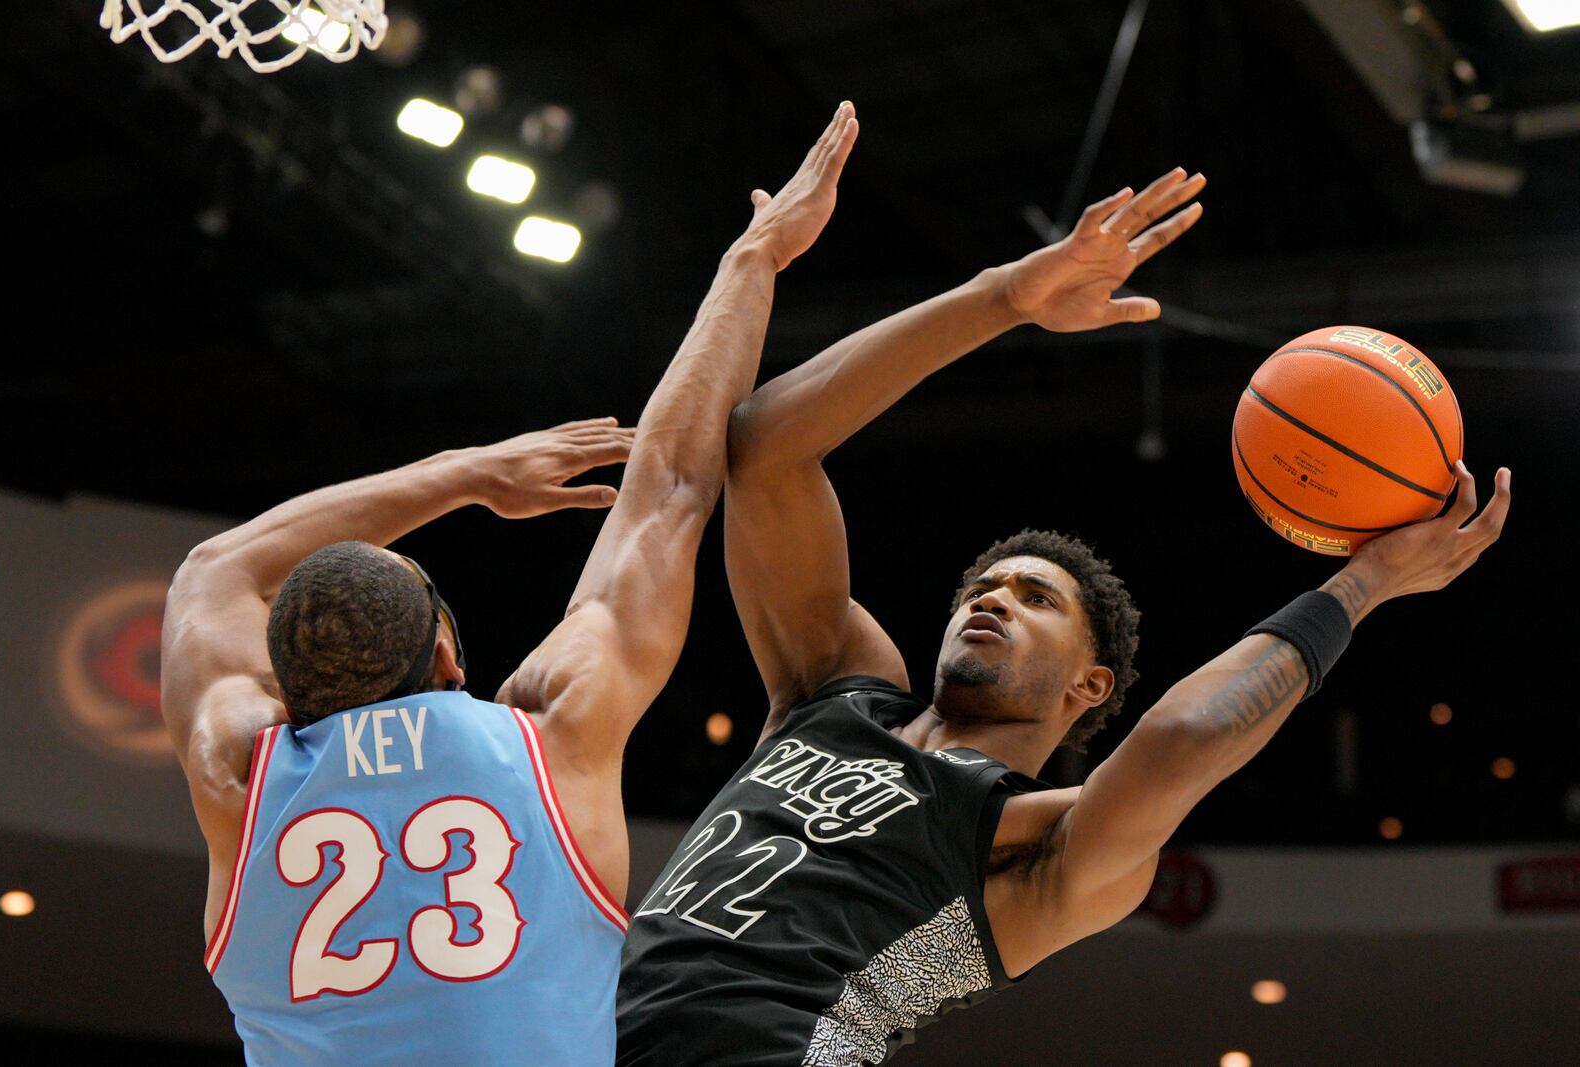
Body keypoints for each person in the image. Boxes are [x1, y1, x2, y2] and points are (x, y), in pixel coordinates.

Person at [615, 167, 1512, 1066]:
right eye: (981, 588)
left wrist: (1363, 585)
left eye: (1035, 597)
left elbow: (1183, 738)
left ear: (1092, 683)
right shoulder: (833, 691)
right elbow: (767, 449)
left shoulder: (1043, 856)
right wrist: (1002, 296)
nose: (993, 597)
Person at [159, 102, 860, 1066]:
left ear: (283, 677)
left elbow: (218, 568)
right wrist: (751, 263)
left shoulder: (235, 768)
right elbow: (669, 489)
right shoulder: (551, 733)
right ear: (446, 650)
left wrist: (464, 473)